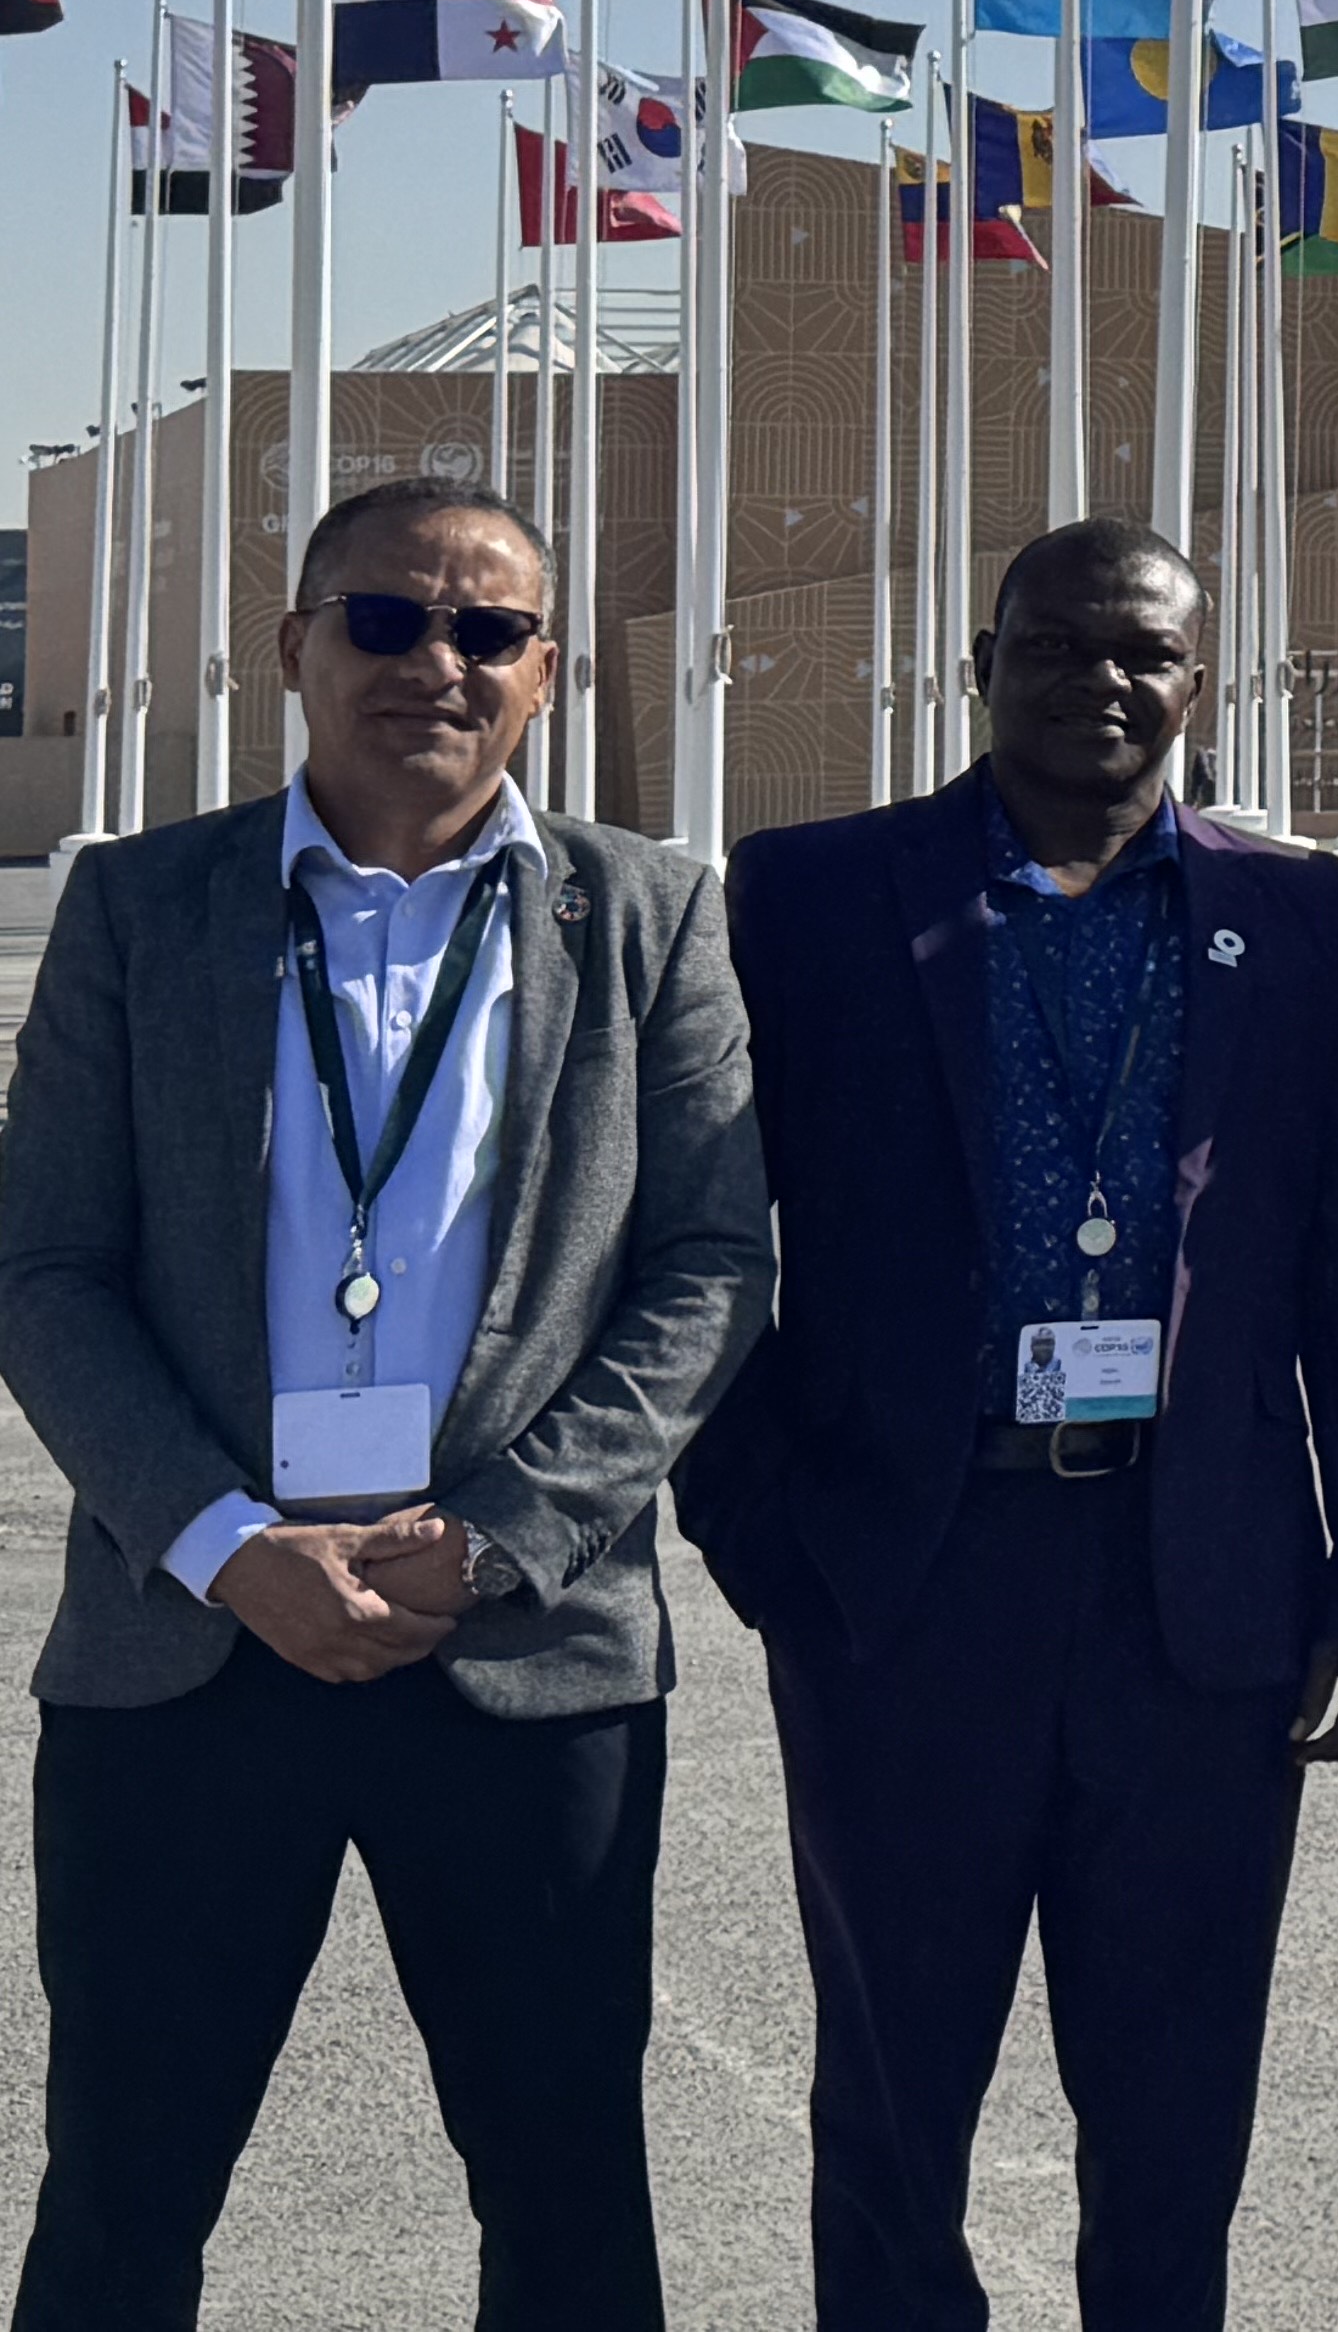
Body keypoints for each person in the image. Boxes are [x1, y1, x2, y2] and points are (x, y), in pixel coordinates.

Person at [0, 479, 771, 2325]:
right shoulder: (135, 906)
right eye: (383, 619)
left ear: (545, 674)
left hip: (520, 1653)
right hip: (190, 1648)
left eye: (487, 632)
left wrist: (496, 1542)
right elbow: (46, 1273)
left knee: (569, 2188)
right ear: (294, 647)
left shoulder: (653, 916)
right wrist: (221, 1542)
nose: (435, 662)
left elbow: (709, 1271)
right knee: (125, 2185)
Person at [684, 516, 1338, 2328]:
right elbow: (708, 1233)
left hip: (1202, 1598)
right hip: (908, 1579)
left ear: (1201, 682)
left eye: (1147, 655)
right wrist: (764, 1533)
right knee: (892, 2098)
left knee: (1177, 2109)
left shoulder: (1294, 911)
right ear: (982, 661)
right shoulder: (810, 895)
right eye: (1058, 644)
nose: (1102, 682)